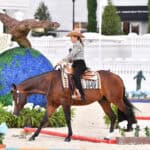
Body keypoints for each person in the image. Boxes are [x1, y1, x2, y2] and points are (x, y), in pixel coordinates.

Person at [58, 30, 87, 100]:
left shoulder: (78, 45)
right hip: (75, 64)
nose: (71, 39)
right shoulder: (75, 45)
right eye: (70, 37)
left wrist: (62, 60)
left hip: (80, 64)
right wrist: (67, 62)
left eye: (72, 37)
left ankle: (82, 94)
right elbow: (72, 57)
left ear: (76, 38)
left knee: (76, 76)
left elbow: (71, 55)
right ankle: (73, 92)